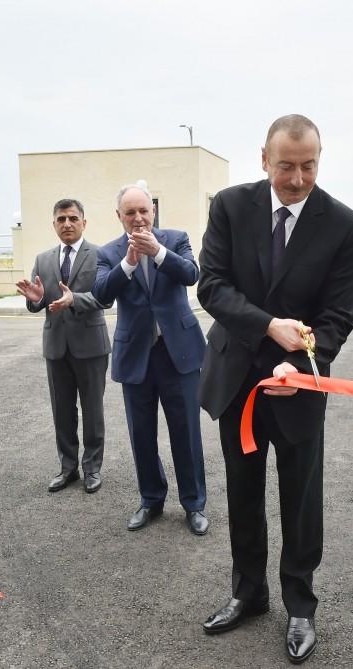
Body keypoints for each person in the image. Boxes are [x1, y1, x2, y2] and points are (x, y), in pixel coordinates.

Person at [197, 115, 353, 664]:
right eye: (286, 165)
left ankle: (300, 605)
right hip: (238, 380)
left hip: (300, 384)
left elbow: (340, 313)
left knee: (300, 498)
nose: (297, 178)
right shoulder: (228, 206)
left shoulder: (344, 225)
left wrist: (306, 363)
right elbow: (213, 285)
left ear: (320, 158)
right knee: (242, 492)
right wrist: (269, 326)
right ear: (263, 159)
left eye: (309, 165)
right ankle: (248, 593)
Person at [91, 181, 209, 536]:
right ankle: (151, 499)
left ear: (153, 211)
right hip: (136, 356)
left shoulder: (175, 239)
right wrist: (127, 265)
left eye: (144, 210)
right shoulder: (108, 253)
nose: (139, 218)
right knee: (141, 434)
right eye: (131, 212)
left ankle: (194, 504)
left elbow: (191, 274)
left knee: (186, 432)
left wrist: (157, 252)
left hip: (179, 353)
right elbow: (100, 295)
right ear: (119, 216)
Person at [15, 199, 110, 494]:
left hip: (91, 345)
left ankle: (92, 468)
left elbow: (105, 298)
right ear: (53, 224)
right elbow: (38, 302)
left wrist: (75, 300)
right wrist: (35, 299)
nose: (66, 224)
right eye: (60, 219)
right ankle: (67, 467)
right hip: (56, 346)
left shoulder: (100, 255)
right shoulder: (43, 259)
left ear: (84, 221)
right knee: (62, 411)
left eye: (72, 218)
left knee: (92, 410)